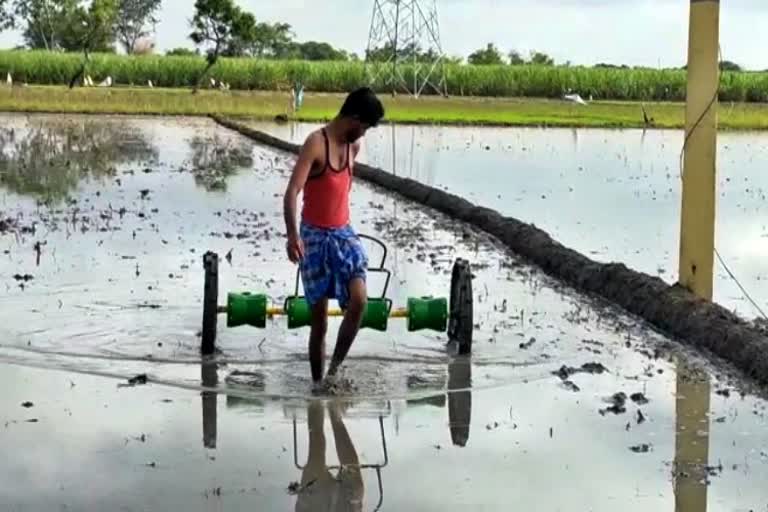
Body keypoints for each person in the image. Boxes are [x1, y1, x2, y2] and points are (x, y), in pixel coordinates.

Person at [283, 87, 385, 390]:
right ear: (353, 117)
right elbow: (292, 192)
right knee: (320, 321)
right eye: (364, 126)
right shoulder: (316, 143)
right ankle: (317, 384)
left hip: (343, 233)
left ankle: (334, 372)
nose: (364, 133)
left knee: (359, 300)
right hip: (314, 235)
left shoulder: (354, 147)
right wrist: (292, 235)